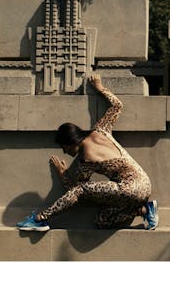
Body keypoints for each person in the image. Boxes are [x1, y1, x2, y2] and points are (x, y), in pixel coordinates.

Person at [16, 73, 158, 231]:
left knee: (80, 190)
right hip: (145, 184)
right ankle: (145, 209)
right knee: (102, 221)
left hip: (129, 189)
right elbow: (117, 106)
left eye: (65, 147)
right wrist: (100, 88)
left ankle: (41, 218)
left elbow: (75, 191)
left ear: (71, 143)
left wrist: (63, 173)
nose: (65, 152)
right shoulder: (101, 130)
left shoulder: (85, 161)